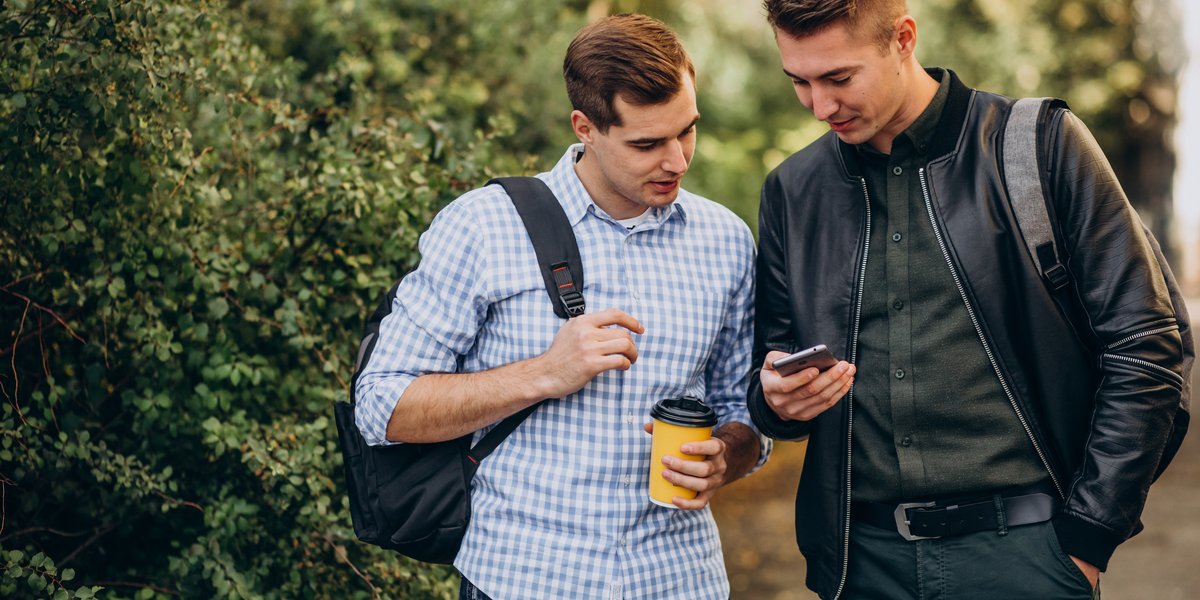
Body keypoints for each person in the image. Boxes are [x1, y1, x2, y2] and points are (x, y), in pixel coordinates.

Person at [746, 1, 1193, 599]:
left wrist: (1089, 537)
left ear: (904, 39)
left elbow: (1147, 346)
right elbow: (769, 375)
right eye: (799, 81)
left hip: (1027, 558)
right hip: (863, 566)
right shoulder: (792, 191)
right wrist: (777, 401)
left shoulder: (1042, 144)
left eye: (839, 78)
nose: (820, 106)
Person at [355, 13, 768, 600]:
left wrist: (726, 455)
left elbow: (743, 407)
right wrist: (543, 373)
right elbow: (382, 406)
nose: (677, 160)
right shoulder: (482, 226)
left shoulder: (726, 241)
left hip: (679, 579)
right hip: (523, 580)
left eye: (687, 131)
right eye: (647, 144)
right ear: (586, 127)